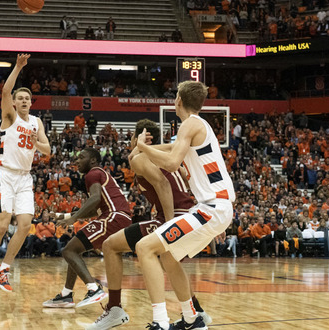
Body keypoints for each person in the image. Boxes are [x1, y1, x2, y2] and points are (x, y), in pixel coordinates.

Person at [87, 119, 211, 329]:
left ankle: (115, 308)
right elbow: (183, 180)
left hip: (174, 216)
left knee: (110, 246)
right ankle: (196, 311)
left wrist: (169, 223)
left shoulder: (140, 158)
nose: (130, 142)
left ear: (140, 138)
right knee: (170, 262)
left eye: (132, 138)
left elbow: (162, 184)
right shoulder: (167, 157)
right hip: (190, 213)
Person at [133, 81, 235, 329]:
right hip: (215, 208)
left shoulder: (190, 124)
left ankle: (160, 322)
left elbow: (171, 162)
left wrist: (142, 146)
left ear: (178, 100)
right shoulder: (197, 126)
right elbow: (170, 149)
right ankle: (192, 318)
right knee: (168, 256)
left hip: (212, 207)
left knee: (144, 248)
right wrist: (141, 151)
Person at [0, 54, 51, 297]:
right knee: (1, 225)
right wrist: (18, 67)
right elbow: (6, 90)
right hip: (5, 174)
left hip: (25, 178)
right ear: (14, 102)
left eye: (27, 98)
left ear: (31, 102)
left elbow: (48, 150)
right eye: (19, 98)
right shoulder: (9, 117)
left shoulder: (37, 122)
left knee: (25, 225)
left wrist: (36, 144)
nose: (23, 101)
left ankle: (4, 269)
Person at [42, 147, 131, 308]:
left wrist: (74, 219)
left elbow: (95, 199)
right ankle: (66, 295)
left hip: (114, 217)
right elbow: (92, 209)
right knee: (74, 250)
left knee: (68, 251)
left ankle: (94, 289)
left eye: (81, 157)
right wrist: (66, 217)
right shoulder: (100, 175)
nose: (76, 161)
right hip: (117, 217)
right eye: (76, 158)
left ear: (93, 161)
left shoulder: (93, 173)